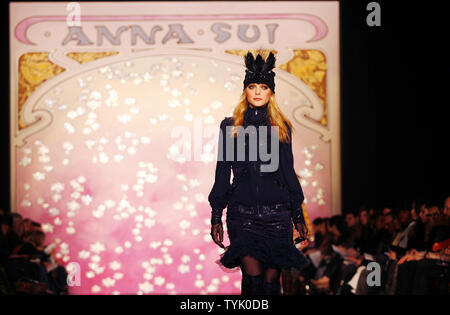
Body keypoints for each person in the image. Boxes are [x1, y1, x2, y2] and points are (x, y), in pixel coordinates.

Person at [208, 50, 310, 295]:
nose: (257, 92)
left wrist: (297, 215)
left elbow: (288, 172)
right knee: (253, 283)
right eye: (252, 86)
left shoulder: (280, 127)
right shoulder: (230, 127)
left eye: (263, 87)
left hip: (277, 215)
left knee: (271, 285)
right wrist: (215, 216)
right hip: (242, 215)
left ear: (270, 92)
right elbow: (222, 174)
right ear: (245, 90)